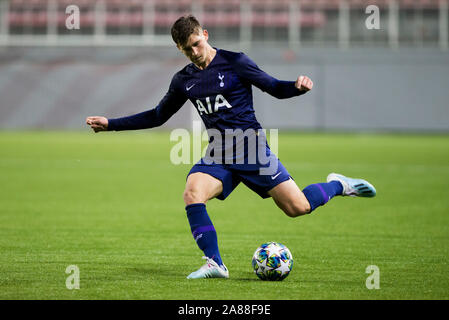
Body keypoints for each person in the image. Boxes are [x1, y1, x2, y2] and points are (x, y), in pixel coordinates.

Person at [86, 15, 376, 279]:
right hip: (219, 154)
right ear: (179, 49)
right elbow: (157, 116)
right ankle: (215, 263)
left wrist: (296, 87)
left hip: (252, 149)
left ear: (206, 35)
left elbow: (274, 87)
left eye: (197, 44)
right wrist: (111, 124)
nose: (195, 52)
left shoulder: (235, 62)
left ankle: (338, 185)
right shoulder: (184, 80)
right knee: (192, 192)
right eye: (187, 49)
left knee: (297, 207)